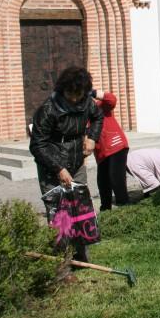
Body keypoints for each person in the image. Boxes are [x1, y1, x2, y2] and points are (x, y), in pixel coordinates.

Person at [29, 66, 103, 262]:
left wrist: (92, 137)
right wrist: (59, 169)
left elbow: (98, 117)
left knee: (80, 208)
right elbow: (37, 145)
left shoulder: (87, 103)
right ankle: (63, 262)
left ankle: (82, 256)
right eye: (71, 94)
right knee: (60, 214)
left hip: (76, 162)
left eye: (79, 94)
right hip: (51, 166)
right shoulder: (48, 110)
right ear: (63, 89)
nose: (75, 99)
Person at [91, 90, 129, 210]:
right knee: (102, 183)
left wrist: (93, 92)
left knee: (116, 179)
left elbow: (111, 99)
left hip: (116, 146)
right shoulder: (80, 117)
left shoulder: (100, 106)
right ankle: (106, 211)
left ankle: (125, 209)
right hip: (101, 154)